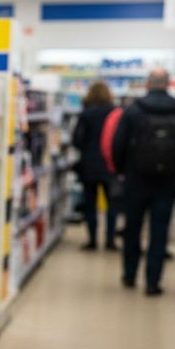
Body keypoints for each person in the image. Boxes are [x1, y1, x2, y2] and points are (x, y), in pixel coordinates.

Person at [112, 68, 175, 295]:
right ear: (169, 84)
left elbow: (118, 144)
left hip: (136, 179)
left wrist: (123, 171)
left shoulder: (134, 110)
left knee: (132, 228)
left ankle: (130, 275)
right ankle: (153, 282)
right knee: (159, 231)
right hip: (168, 181)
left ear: (147, 84)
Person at [70, 81, 118, 251]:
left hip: (89, 164)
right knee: (112, 203)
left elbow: (77, 139)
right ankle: (110, 240)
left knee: (90, 203)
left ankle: (92, 240)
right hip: (110, 164)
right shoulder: (115, 113)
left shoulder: (86, 113)